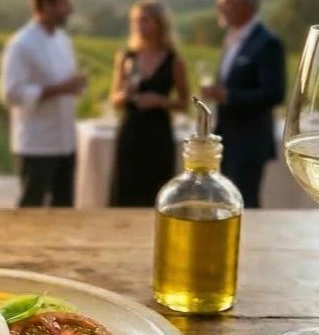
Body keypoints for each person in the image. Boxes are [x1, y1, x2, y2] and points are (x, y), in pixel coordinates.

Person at [0, 0, 86, 208]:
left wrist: (75, 84)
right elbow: (11, 94)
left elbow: (65, 83)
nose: (70, 10)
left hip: (65, 142)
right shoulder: (21, 44)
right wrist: (59, 89)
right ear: (46, 5)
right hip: (36, 144)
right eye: (65, 4)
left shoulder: (63, 40)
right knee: (32, 208)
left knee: (64, 208)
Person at [202, 0, 285, 208]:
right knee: (226, 203)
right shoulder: (231, 38)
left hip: (249, 142)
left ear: (246, 5)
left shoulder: (267, 43)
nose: (220, 6)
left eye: (227, 2)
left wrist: (228, 96)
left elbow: (275, 94)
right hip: (227, 139)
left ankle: (251, 242)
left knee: (243, 203)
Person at [109, 1, 189, 207]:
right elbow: (115, 100)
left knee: (156, 191)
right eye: (135, 21)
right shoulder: (127, 57)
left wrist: (159, 101)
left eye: (145, 20)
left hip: (158, 135)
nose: (139, 25)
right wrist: (125, 94)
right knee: (125, 190)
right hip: (130, 133)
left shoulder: (174, 60)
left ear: (159, 24)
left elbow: (184, 103)